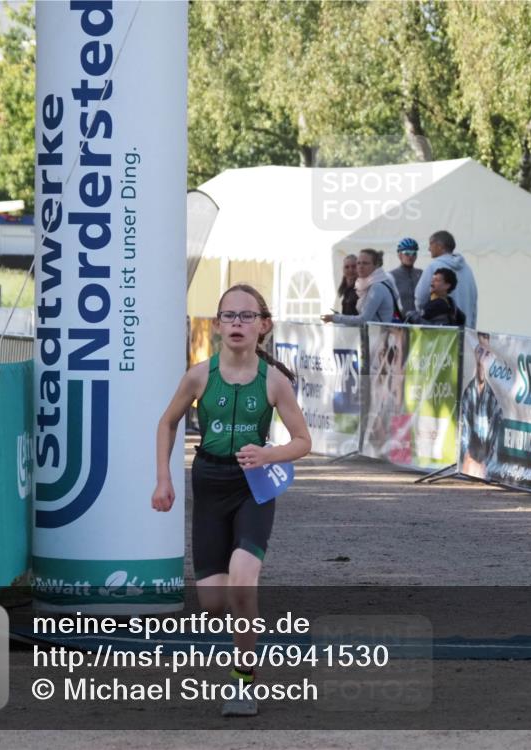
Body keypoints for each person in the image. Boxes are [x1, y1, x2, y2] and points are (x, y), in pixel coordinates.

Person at [151, 283, 311, 717]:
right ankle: (240, 622)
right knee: (213, 602)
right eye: (229, 316)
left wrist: (269, 453)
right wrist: (163, 480)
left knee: (244, 577)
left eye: (246, 316)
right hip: (208, 485)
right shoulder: (199, 375)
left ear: (264, 325)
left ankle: (244, 680)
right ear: (218, 324)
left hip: (252, 487)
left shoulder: (274, 381)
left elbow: (302, 441)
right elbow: (166, 424)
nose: (237, 323)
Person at [414, 230, 477, 329]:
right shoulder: (467, 269)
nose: (429, 249)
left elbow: (420, 297)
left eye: (431, 244)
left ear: (440, 246)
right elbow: (473, 302)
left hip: (441, 333)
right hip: (465, 331)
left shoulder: (433, 266)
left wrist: (423, 317)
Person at [459, 333, 502, 479]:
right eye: (479, 351)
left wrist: (485, 464)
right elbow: (463, 432)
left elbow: (495, 440)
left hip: (486, 467)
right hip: (468, 463)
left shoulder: (495, 397)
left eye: (487, 353)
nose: (482, 357)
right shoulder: (468, 392)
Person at [321, 248, 399, 325]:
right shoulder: (366, 285)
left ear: (375, 266)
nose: (361, 266)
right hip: (371, 335)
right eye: (358, 263)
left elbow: (364, 319)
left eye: (365, 263)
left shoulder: (377, 287)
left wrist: (334, 318)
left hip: (379, 335)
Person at [389, 237, 422, 316]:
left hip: (420, 321)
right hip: (401, 321)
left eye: (414, 253)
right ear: (400, 255)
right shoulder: (391, 275)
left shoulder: (421, 274)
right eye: (407, 253)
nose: (411, 256)